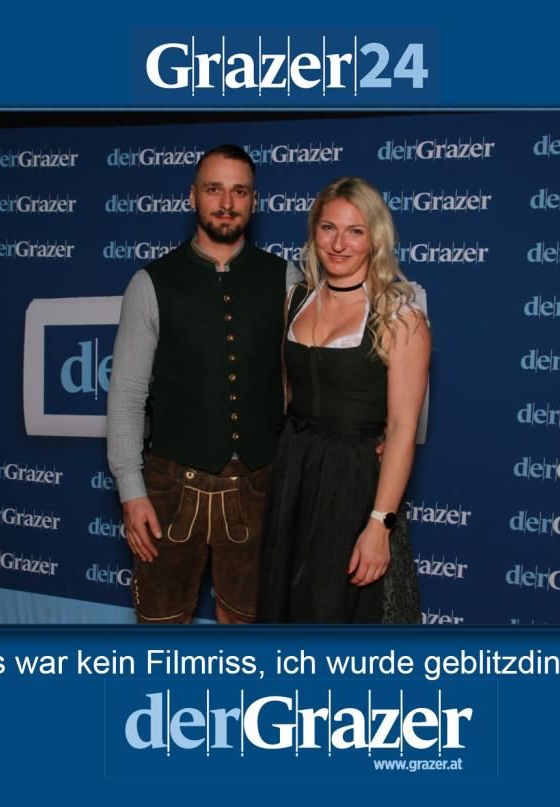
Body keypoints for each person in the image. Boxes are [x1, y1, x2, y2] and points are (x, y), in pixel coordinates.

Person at [107, 144, 301, 624]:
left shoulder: (287, 279)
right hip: (170, 492)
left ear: (255, 201)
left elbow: (310, 379)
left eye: (240, 191)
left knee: (250, 627)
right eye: (215, 189)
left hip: (259, 488)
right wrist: (131, 492)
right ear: (192, 196)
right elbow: (127, 396)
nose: (227, 203)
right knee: (161, 627)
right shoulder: (149, 283)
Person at [258, 176, 430, 623]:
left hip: (353, 485)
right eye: (328, 228)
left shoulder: (400, 317)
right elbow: (288, 393)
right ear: (313, 231)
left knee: (337, 611)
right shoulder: (295, 299)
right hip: (293, 472)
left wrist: (379, 524)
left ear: (375, 238)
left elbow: (402, 429)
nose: (338, 244)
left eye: (355, 231)